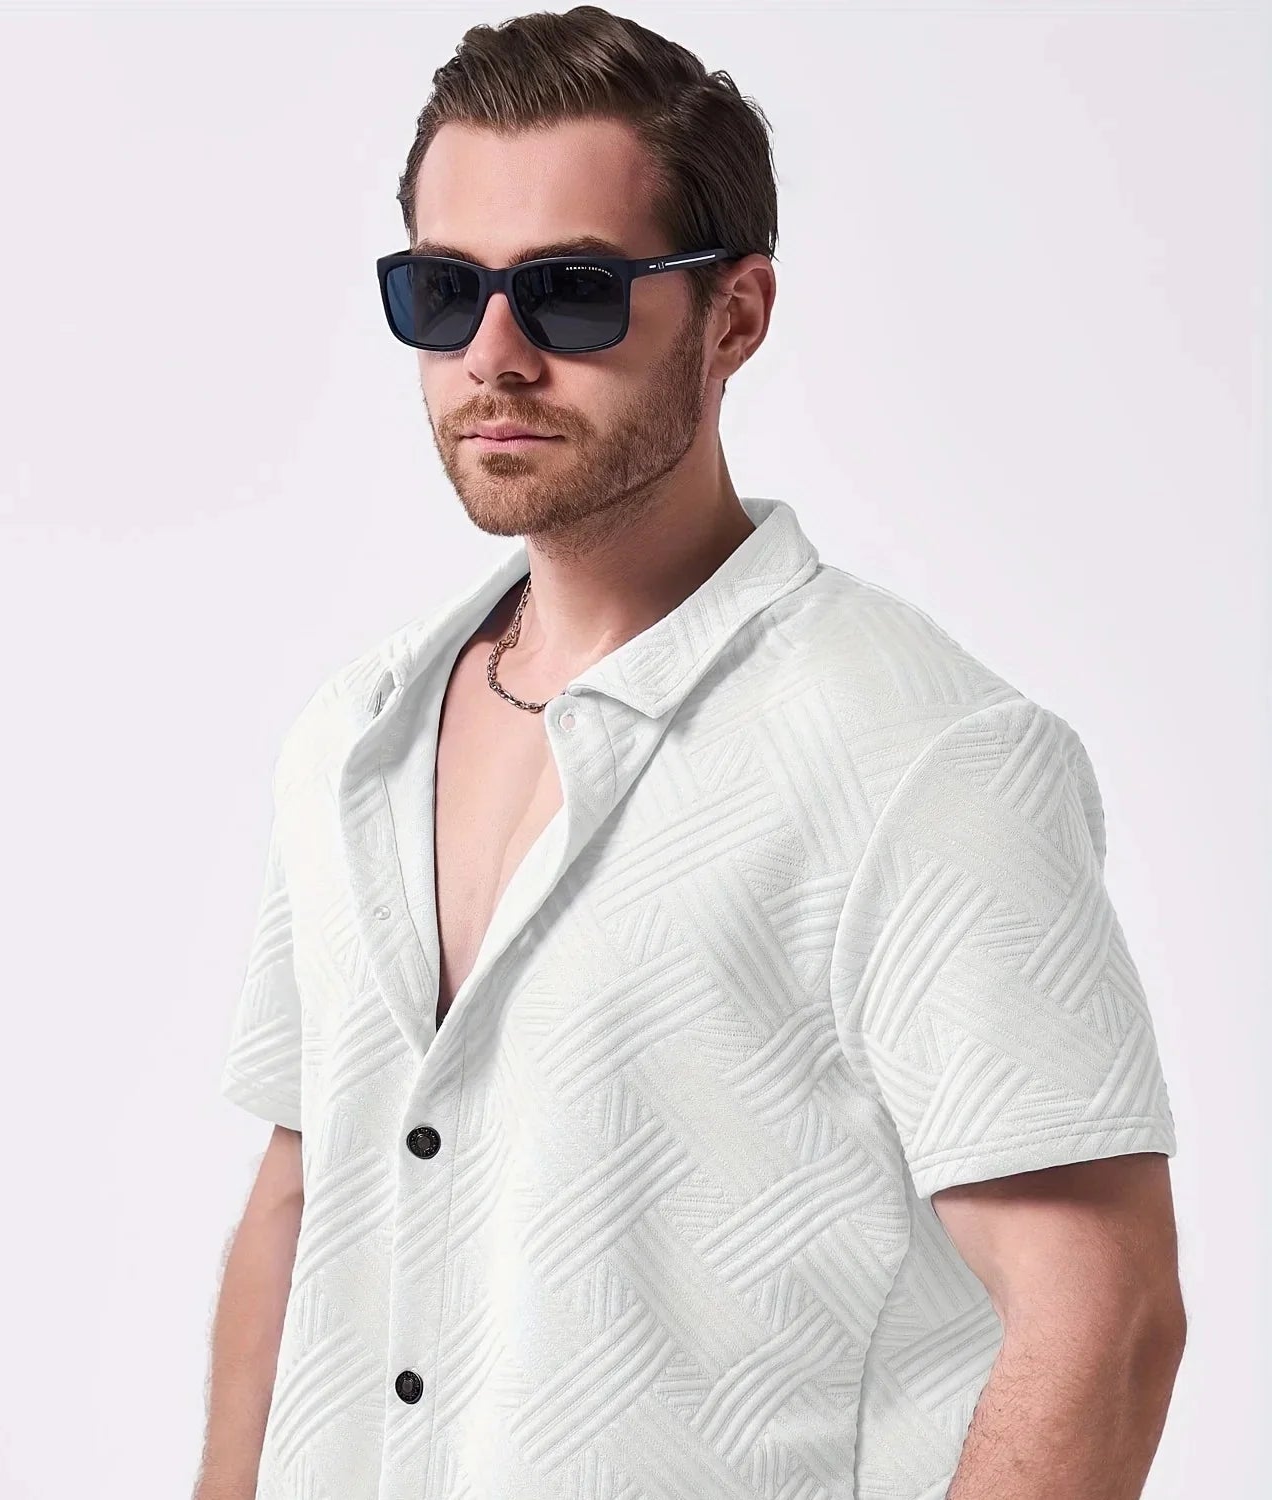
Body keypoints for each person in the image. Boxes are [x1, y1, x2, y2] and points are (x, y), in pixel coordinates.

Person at [194, 8, 1185, 1499]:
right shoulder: (355, 740)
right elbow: (300, 1201)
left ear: (736, 314)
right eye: (444, 291)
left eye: (574, 293)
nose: (496, 355)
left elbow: (1102, 1319)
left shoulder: (926, 759)